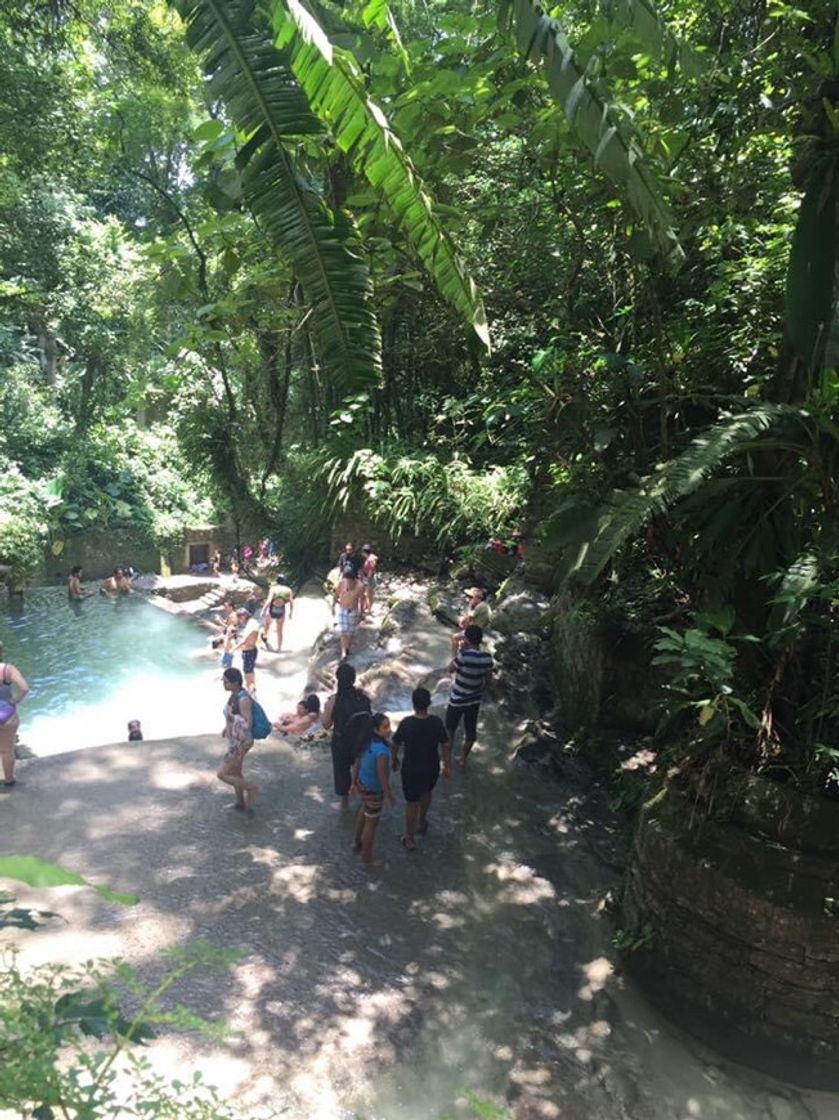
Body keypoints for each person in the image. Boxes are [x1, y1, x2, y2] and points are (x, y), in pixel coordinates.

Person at [392, 687, 451, 850]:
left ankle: (409, 839)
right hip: (431, 767)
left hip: (411, 768)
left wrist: (394, 759)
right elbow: (445, 744)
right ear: (429, 703)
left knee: (412, 803)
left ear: (413, 704)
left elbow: (395, 742)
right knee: (426, 793)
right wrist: (447, 766)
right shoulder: (436, 722)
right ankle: (422, 821)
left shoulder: (406, 723)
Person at [322, 661, 371, 810]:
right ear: (354, 679)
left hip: (341, 741)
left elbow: (326, 725)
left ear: (338, 679)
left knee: (342, 772)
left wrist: (326, 708)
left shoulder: (334, 700)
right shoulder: (363, 696)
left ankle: (345, 804)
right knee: (361, 769)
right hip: (361, 740)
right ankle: (366, 802)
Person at [350, 711, 396, 867]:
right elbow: (382, 776)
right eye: (385, 727)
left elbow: (357, 763)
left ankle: (356, 842)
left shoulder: (367, 742)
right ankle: (367, 858)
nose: (389, 729)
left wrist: (353, 782)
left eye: (388, 726)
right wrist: (389, 795)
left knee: (364, 811)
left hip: (362, 785)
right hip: (374, 791)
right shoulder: (382, 752)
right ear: (376, 730)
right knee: (372, 824)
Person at [445, 624, 494, 770]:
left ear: (467, 639)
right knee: (470, 732)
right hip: (474, 700)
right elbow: (489, 681)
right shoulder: (487, 658)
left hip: (457, 699)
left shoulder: (464, 655)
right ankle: (463, 760)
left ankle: (446, 761)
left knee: (450, 730)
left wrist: (457, 652)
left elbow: (450, 669)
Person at [217, 667, 258, 812]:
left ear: (235, 683)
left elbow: (248, 723)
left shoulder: (243, 698)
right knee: (235, 772)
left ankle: (250, 787)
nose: (224, 684)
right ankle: (240, 802)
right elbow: (232, 716)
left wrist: (231, 722)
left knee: (222, 774)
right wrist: (226, 728)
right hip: (235, 740)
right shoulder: (234, 695)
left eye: (226, 682)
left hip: (242, 742)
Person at [0, 644, 28, 788]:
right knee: (6, 750)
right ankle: (9, 780)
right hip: (5, 713)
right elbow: (24, 688)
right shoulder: (7, 669)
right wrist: (13, 701)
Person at [450, 587, 492, 656]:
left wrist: (470, 605)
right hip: (478, 631)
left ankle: (454, 660)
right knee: (464, 646)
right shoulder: (484, 606)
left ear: (477, 598)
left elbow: (467, 618)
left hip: (474, 631)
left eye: (471, 597)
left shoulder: (481, 606)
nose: (469, 598)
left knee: (455, 638)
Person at [334, 569, 365, 659]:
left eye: (350, 581)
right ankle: (343, 652)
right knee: (343, 631)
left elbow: (361, 601)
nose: (348, 583)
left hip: (353, 611)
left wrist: (361, 614)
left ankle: (347, 648)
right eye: (346, 580)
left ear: (354, 579)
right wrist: (333, 605)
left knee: (350, 633)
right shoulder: (341, 583)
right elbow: (336, 594)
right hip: (342, 610)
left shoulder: (360, 586)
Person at [232, 606, 261, 691]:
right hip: (251, 651)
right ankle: (252, 688)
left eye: (239, 618)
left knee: (248, 674)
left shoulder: (250, 625)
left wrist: (233, 649)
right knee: (250, 672)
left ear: (243, 616)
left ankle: (251, 691)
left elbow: (244, 640)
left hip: (249, 652)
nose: (240, 621)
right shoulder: (253, 622)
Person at [262, 577, 294, 651]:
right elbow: (291, 602)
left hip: (272, 608)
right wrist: (291, 613)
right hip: (281, 610)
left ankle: (265, 636)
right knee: (280, 630)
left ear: (277, 581)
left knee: (267, 624)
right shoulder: (288, 590)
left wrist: (263, 610)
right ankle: (279, 648)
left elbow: (269, 600)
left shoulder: (273, 589)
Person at [361, 544, 378, 617]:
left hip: (369, 579)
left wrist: (367, 578)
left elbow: (371, 569)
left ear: (364, 552)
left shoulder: (370, 559)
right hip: (371, 578)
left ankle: (368, 610)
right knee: (369, 595)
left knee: (368, 595)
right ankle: (367, 608)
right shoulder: (372, 557)